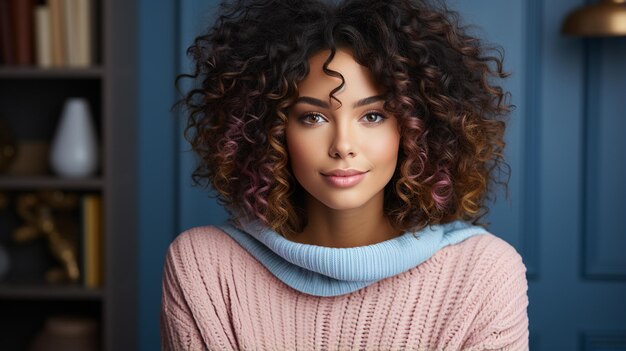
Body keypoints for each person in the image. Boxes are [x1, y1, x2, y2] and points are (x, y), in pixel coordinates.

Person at [161, 0, 529, 349]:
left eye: (372, 116)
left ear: (417, 130)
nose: (342, 145)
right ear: (268, 132)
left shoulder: (482, 272)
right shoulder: (205, 266)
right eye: (313, 117)